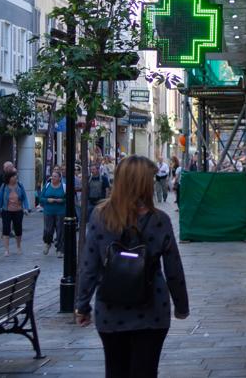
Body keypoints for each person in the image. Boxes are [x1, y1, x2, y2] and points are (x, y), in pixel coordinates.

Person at [75, 155, 188, 378]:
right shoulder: (160, 220)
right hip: (152, 309)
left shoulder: (100, 217)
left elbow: (89, 265)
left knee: (115, 370)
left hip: (110, 310)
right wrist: (181, 306)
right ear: (143, 183)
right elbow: (173, 268)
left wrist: (82, 305)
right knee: (146, 371)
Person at [0, 171, 29, 256]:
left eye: (16, 176)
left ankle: (19, 247)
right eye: (13, 176)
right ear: (9, 178)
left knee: (18, 229)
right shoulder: (4, 186)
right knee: (6, 229)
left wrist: (26, 208)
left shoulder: (20, 185)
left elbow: (24, 198)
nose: (15, 178)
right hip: (6, 211)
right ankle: (6, 249)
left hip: (18, 211)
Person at [36, 167, 69, 255]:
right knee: (48, 230)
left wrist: (61, 200)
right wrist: (47, 200)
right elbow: (41, 199)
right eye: (52, 176)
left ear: (59, 178)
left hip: (60, 211)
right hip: (48, 211)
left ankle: (60, 249)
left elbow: (68, 199)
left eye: (55, 176)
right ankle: (47, 243)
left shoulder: (64, 186)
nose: (53, 178)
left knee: (60, 231)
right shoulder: (47, 186)